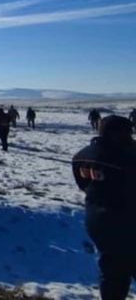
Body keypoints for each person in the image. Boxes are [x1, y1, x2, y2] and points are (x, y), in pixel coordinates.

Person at [72, 115, 136, 299]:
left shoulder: (81, 156)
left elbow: (83, 185)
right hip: (127, 221)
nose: (131, 137)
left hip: (98, 220)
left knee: (112, 271)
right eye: (128, 133)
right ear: (117, 134)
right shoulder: (126, 157)